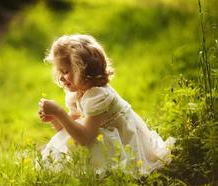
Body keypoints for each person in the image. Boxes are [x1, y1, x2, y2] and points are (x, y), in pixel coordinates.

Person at [38, 34, 175, 175]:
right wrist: (56, 118)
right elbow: (72, 126)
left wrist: (60, 112)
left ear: (82, 70)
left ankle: (106, 173)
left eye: (65, 71)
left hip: (122, 139)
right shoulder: (78, 92)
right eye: (60, 71)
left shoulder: (98, 95)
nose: (61, 77)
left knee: (93, 142)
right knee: (76, 139)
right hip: (99, 132)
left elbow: (84, 138)